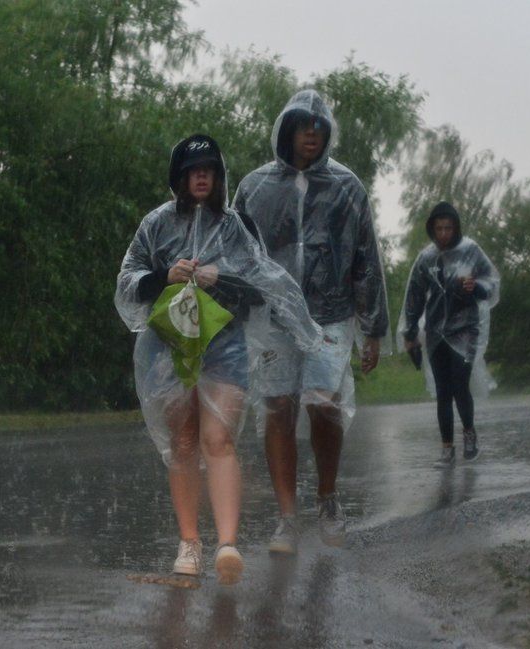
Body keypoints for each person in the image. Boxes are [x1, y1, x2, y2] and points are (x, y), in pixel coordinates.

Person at [115, 134, 322, 583]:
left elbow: (263, 284)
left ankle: (227, 545)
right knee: (184, 442)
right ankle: (189, 543)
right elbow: (129, 280)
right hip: (169, 347)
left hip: (225, 345)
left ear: (220, 176)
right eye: (192, 170)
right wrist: (164, 276)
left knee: (218, 439)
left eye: (209, 168)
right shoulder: (155, 225)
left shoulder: (236, 227)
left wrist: (220, 279)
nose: (201, 176)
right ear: (179, 178)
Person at [232, 89, 390, 553]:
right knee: (278, 407)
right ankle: (286, 518)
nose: (311, 137)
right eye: (303, 127)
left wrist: (373, 328)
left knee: (324, 402)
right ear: (287, 130)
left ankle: (327, 496)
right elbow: (239, 257)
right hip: (272, 317)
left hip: (331, 315)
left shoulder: (346, 188)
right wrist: (232, 315)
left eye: (319, 130)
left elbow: (366, 259)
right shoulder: (255, 188)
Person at [398, 202, 500, 467]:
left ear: (456, 228)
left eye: (448, 227)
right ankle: (446, 447)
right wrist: (410, 332)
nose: (443, 233)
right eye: (439, 228)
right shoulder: (425, 258)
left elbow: (492, 283)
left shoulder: (471, 251)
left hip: (465, 328)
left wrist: (475, 286)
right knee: (442, 390)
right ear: (432, 229)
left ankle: (469, 433)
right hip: (435, 331)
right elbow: (415, 297)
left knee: (459, 383)